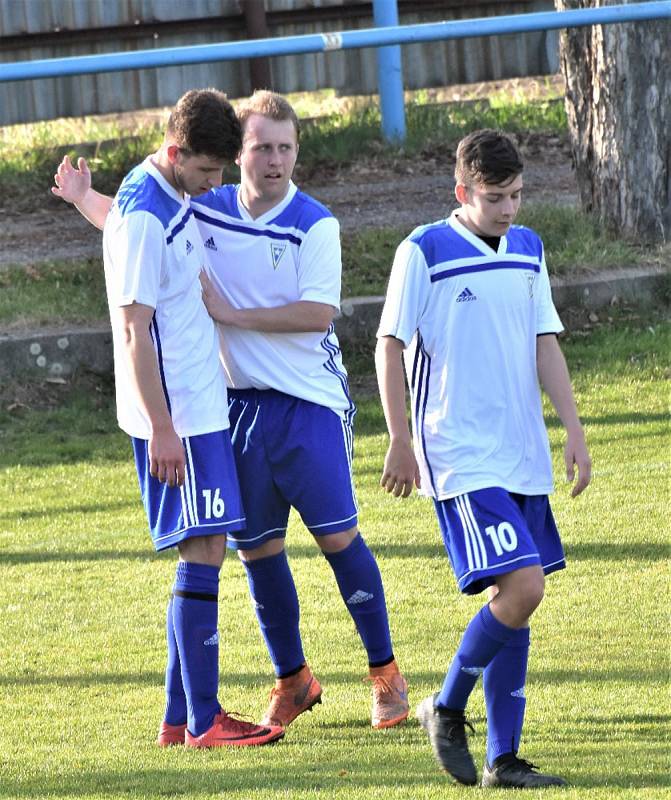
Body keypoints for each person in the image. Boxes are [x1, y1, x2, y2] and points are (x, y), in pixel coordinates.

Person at [52, 90, 409, 732]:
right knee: (253, 550)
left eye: (285, 148)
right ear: (235, 153)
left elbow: (319, 313)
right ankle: (282, 683)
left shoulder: (312, 222)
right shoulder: (202, 199)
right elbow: (138, 235)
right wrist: (84, 199)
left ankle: (385, 675)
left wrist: (233, 315)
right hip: (226, 409)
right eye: (261, 148)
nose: (274, 161)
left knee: (333, 537)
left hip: (307, 404)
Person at [52, 89, 284, 749]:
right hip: (177, 416)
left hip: (195, 407)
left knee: (204, 546)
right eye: (209, 173)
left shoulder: (151, 191)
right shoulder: (147, 217)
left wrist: (78, 199)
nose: (215, 186)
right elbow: (132, 332)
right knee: (204, 547)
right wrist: (160, 426)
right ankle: (203, 721)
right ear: (176, 152)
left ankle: (180, 719)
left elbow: (120, 228)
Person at [375, 129, 591, 788]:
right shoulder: (424, 251)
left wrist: (573, 429)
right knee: (524, 586)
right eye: (495, 197)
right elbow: (388, 345)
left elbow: (543, 342)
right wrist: (399, 439)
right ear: (461, 191)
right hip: (458, 452)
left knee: (514, 599)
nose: (508, 209)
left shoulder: (527, 248)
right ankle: (446, 705)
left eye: (517, 195)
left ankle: (503, 759)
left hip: (519, 452)